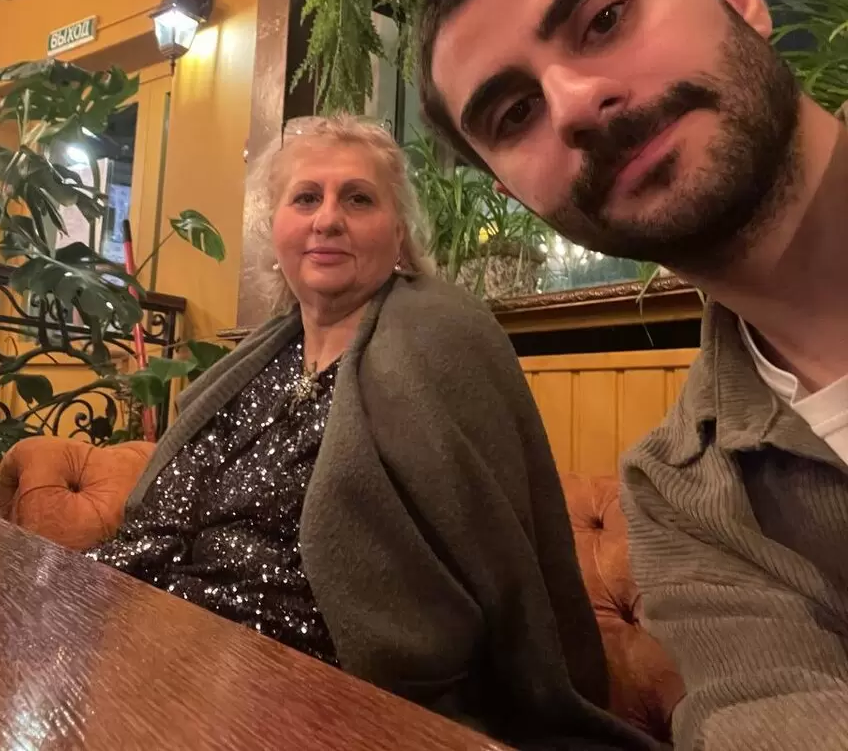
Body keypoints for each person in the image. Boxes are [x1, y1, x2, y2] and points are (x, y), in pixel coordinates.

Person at [418, 0, 848, 751]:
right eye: (516, 114)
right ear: (515, 195)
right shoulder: (685, 497)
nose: (575, 104)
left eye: (605, 19)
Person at [91, 114, 654, 749]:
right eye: (306, 198)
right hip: (175, 647)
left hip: (318, 689)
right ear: (275, 228)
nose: (328, 219)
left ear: (400, 235)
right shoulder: (260, 357)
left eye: (358, 199)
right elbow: (161, 520)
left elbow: (477, 564)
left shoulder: (442, 335)